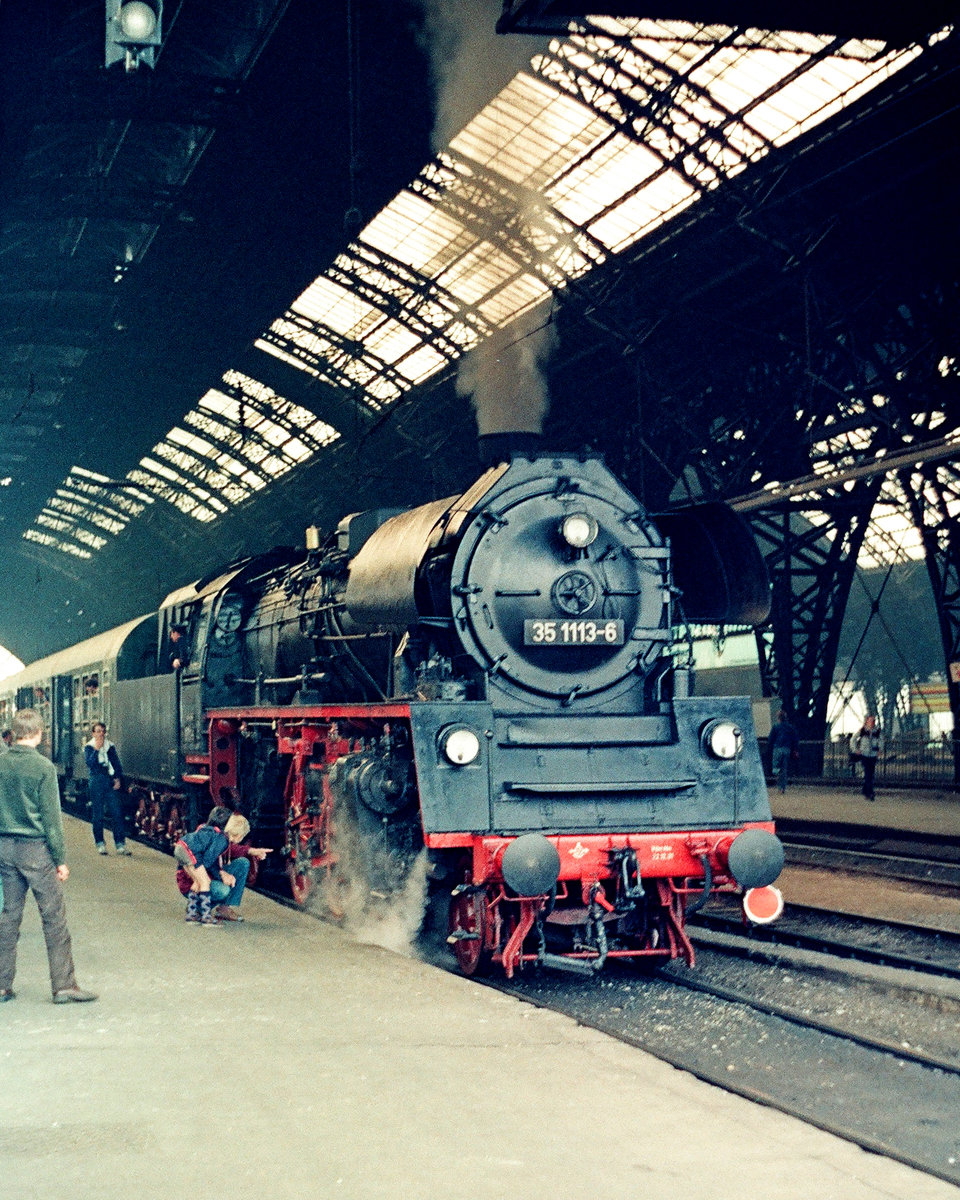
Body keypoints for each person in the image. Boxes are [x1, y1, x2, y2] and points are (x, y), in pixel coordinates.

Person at [0, 709, 97, 1003]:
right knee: (53, 918)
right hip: (36, 851)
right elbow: (52, 820)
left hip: (5, 848)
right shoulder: (43, 768)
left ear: (14, 734)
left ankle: (2, 985)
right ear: (40, 734)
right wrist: (60, 860)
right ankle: (64, 985)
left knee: (8, 918)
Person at [174, 808, 269, 924]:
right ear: (239, 836)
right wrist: (221, 873)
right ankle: (204, 914)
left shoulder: (210, 831)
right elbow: (207, 860)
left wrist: (251, 850)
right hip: (190, 870)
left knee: (242, 864)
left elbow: (229, 849)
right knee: (215, 887)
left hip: (184, 851)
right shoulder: (221, 839)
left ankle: (197, 911)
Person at [84, 722, 129, 855]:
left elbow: (116, 763)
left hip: (109, 779)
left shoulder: (110, 746)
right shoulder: (89, 747)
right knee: (97, 814)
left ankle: (120, 844)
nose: (100, 734)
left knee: (116, 812)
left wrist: (117, 778)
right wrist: (97, 749)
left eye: (102, 731)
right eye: (97, 731)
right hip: (96, 779)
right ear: (93, 733)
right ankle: (100, 843)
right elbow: (90, 764)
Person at [850, 715, 882, 801]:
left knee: (870, 774)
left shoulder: (877, 731)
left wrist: (880, 749)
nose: (872, 723)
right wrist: (855, 749)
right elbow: (853, 739)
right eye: (871, 721)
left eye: (873, 721)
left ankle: (865, 790)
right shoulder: (862, 731)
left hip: (873, 755)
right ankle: (870, 792)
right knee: (868, 773)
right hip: (864, 754)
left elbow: (881, 741)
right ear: (867, 721)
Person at [769, 709, 800, 793]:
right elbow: (795, 739)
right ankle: (782, 787)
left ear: (778, 717)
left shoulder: (775, 727)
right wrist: (795, 750)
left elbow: (771, 739)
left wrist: (770, 747)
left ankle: (778, 779)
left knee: (775, 767)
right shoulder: (790, 727)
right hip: (787, 749)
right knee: (784, 769)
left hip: (777, 748)